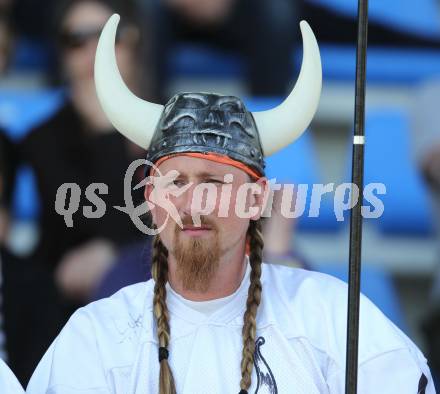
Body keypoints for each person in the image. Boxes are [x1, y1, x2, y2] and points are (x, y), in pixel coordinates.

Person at [27, 15, 435, 393]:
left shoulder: (331, 319)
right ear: (150, 198)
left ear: (256, 199)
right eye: (175, 182)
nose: (191, 202)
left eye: (214, 182)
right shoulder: (97, 338)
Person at [148, 0, 297, 100]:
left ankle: (267, 118)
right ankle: (148, 122)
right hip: (176, 13)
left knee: (276, 12)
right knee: (144, 15)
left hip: (242, 11)